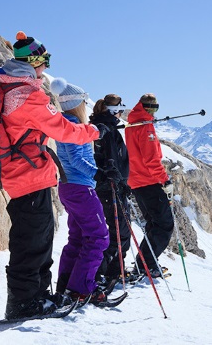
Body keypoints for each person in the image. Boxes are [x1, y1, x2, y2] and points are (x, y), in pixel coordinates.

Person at [0, 32, 104, 320]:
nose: (46, 67)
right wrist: (94, 131)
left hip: (22, 172)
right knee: (32, 241)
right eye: (45, 60)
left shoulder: (10, 88)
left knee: (37, 238)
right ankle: (23, 303)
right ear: (33, 61)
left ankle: (37, 298)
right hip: (28, 174)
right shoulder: (26, 95)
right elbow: (62, 129)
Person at [50, 78, 113, 306]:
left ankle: (67, 285)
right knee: (99, 237)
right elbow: (77, 160)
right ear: (77, 103)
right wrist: (99, 174)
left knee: (78, 238)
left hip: (69, 187)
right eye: (84, 102)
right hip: (80, 187)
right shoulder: (74, 125)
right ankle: (81, 289)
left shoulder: (65, 123)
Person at [125, 93, 174, 277]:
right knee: (164, 224)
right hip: (149, 181)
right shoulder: (146, 128)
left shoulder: (132, 124)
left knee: (154, 224)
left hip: (136, 181)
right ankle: (147, 265)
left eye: (156, 108)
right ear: (144, 107)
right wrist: (164, 179)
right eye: (151, 108)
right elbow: (151, 160)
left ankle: (144, 263)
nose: (153, 112)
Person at [90, 95, 132, 286]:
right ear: (113, 110)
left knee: (117, 232)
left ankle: (114, 270)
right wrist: (120, 182)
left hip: (108, 186)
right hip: (111, 187)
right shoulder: (107, 130)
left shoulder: (103, 127)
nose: (122, 112)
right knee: (119, 233)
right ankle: (105, 272)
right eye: (120, 108)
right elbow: (112, 160)